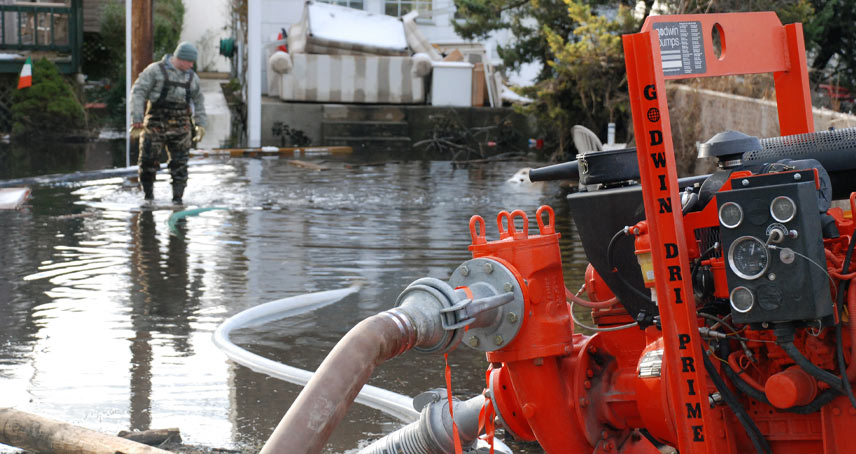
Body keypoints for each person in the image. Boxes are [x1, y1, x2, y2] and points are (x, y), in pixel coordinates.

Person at [130, 42, 207, 204]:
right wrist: (136, 119)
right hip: (155, 125)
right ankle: (148, 197)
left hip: (181, 126)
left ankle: (178, 200)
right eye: (189, 62)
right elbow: (138, 91)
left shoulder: (192, 78)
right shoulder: (155, 71)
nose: (191, 65)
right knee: (147, 162)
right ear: (180, 58)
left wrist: (200, 124)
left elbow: (199, 101)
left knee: (180, 165)